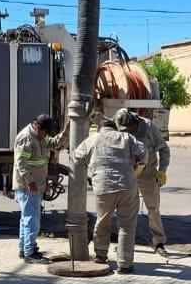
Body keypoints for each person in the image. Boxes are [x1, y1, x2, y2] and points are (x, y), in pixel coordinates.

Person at [73, 111, 148, 273]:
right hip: (127, 186)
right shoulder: (126, 137)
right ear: (115, 127)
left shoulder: (91, 140)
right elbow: (143, 152)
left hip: (103, 187)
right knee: (126, 226)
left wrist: (89, 168)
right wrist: (138, 168)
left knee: (102, 221)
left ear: (100, 128)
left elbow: (76, 158)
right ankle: (125, 264)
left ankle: (100, 256)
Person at [115, 108, 171, 256]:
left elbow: (164, 149)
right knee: (125, 210)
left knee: (153, 209)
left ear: (135, 123)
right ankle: (124, 242)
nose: (127, 132)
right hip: (128, 175)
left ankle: (158, 241)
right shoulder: (119, 127)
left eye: (129, 129)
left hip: (147, 174)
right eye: (124, 130)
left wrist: (162, 170)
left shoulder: (148, 127)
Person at [12, 113, 67, 263]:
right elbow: (21, 163)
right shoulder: (26, 138)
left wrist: (65, 134)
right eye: (45, 132)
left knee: (26, 218)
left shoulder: (39, 137)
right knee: (32, 219)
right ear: (38, 128)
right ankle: (30, 252)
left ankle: (25, 249)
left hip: (36, 184)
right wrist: (30, 181)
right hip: (29, 186)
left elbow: (53, 143)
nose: (46, 136)